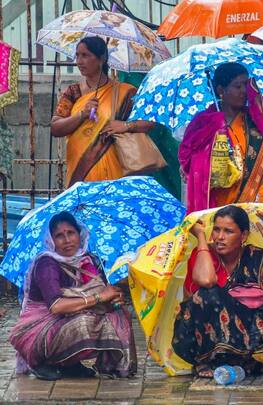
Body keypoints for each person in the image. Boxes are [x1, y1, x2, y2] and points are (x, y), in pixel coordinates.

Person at [172, 206, 263, 378]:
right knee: (208, 294)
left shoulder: (255, 256)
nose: (220, 237)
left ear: (243, 236)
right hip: (196, 336)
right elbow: (206, 281)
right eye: (216, 230)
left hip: (247, 333)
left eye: (228, 231)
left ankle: (244, 358)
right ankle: (206, 360)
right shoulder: (204, 253)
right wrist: (202, 238)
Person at [9, 211, 135, 380]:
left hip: (70, 319)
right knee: (84, 322)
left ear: (79, 234)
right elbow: (56, 307)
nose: (67, 240)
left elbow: (105, 296)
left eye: (71, 233)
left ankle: (80, 363)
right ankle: (43, 362)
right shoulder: (47, 264)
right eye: (59, 236)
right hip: (41, 328)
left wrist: (113, 299)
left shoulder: (89, 260)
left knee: (118, 316)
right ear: (51, 240)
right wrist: (99, 298)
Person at [179, 63, 263, 234]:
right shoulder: (204, 123)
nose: (244, 91)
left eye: (246, 85)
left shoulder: (257, 119)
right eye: (237, 86)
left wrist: (259, 104)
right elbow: (188, 158)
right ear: (220, 90)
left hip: (257, 198)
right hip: (219, 203)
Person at [50, 36, 154, 186]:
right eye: (77, 55)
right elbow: (55, 128)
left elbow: (149, 123)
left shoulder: (125, 92)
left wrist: (126, 126)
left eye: (85, 55)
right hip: (80, 173)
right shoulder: (73, 92)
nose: (79, 61)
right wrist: (82, 115)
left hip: (117, 171)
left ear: (101, 59)